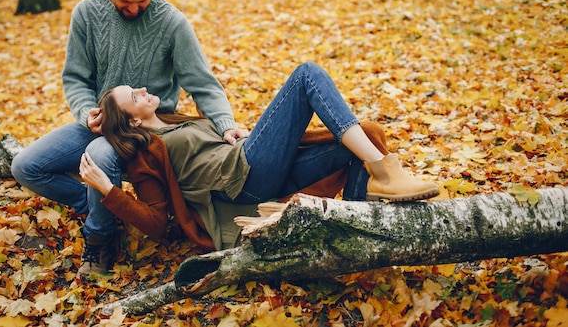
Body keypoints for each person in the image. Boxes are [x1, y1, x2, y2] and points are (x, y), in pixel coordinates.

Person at [10, 0, 246, 276]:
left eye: (142, 1)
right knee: (25, 166)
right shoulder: (86, 13)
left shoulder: (172, 22)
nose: (134, 8)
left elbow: (203, 83)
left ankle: (100, 237)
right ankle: (104, 206)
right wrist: (85, 111)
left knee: (98, 156)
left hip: (144, 129)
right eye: (125, 1)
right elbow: (75, 78)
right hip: (97, 124)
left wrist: (225, 125)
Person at [79, 62, 439, 268]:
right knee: (306, 75)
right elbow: (157, 223)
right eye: (134, 97)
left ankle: (362, 232)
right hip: (244, 180)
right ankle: (385, 170)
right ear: (134, 122)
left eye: (137, 89)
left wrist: (234, 135)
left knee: (361, 139)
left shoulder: (176, 121)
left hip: (252, 162)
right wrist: (108, 191)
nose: (142, 91)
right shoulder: (146, 153)